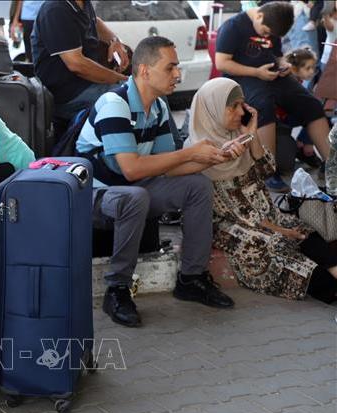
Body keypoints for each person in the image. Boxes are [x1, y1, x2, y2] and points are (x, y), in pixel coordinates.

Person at [77, 36, 236, 328]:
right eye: (171, 67)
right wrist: (191, 152)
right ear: (145, 71)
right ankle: (118, 289)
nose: (178, 74)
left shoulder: (159, 107)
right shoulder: (114, 103)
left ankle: (191, 278)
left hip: (132, 189)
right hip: (94, 195)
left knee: (198, 185)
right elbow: (131, 169)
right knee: (134, 196)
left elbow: (168, 165)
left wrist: (211, 158)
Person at [185, 77, 337, 303]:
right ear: (213, 110)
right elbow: (238, 213)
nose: (240, 112)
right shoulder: (198, 151)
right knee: (275, 244)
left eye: (242, 105)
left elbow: (268, 170)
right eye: (233, 107)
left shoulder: (238, 137)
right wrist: (283, 232)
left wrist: (252, 134)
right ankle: (330, 289)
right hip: (236, 226)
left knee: (307, 230)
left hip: (264, 215)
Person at [215, 1, 331, 192]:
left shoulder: (274, 26)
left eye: (272, 34)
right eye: (266, 31)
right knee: (263, 104)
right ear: (259, 16)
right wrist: (256, 72)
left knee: (311, 104)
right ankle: (267, 170)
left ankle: (331, 164)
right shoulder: (233, 27)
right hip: (241, 78)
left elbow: (275, 55)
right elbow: (221, 63)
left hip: (270, 75)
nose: (268, 35)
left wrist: (283, 64)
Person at [30, 0, 130, 121]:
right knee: (136, 97)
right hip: (69, 96)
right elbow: (77, 64)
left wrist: (114, 41)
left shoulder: (83, 4)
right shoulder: (55, 9)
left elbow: (95, 21)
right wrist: (122, 80)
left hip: (88, 84)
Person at [280, 47, 323, 168]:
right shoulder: (290, 83)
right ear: (294, 68)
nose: (312, 71)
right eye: (308, 68)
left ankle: (301, 143)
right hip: (280, 119)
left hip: (286, 116)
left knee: (315, 111)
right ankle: (306, 147)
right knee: (315, 113)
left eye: (313, 68)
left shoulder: (296, 80)